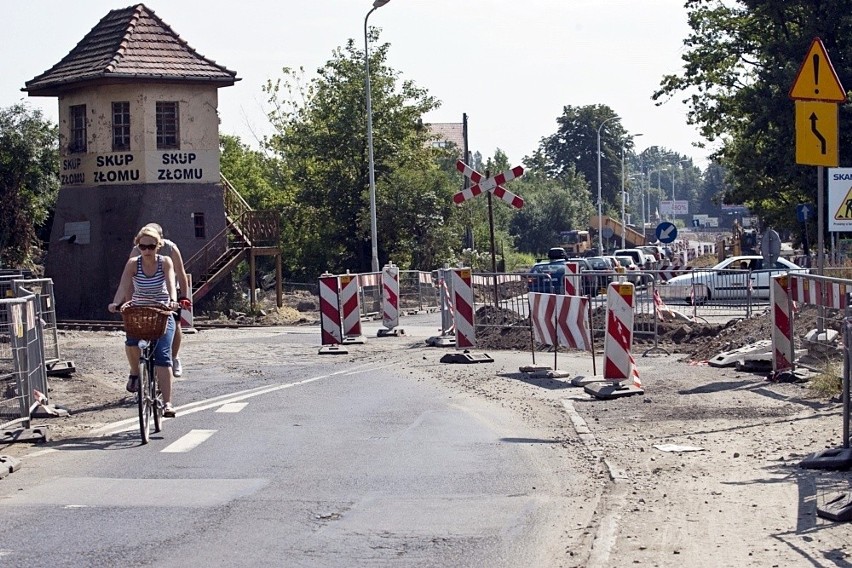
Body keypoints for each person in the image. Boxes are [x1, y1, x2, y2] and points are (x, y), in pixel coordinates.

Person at [109, 225, 180, 417]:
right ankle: (135, 372)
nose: (147, 250)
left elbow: (171, 284)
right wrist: (116, 303)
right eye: (143, 246)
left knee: (163, 358)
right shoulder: (133, 263)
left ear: (159, 245)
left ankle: (167, 403)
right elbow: (124, 285)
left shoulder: (165, 262)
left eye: (151, 246)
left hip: (161, 311)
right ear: (138, 245)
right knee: (131, 342)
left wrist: (173, 301)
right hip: (140, 311)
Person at [130, 223, 191, 377]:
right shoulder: (138, 249)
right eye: (144, 244)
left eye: (152, 242)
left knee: (175, 323)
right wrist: (128, 301)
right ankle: (136, 369)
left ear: (160, 240)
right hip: (144, 292)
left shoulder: (170, 248)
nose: (147, 248)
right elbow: (129, 276)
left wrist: (183, 297)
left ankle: (174, 357)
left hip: (169, 292)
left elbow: (181, 273)